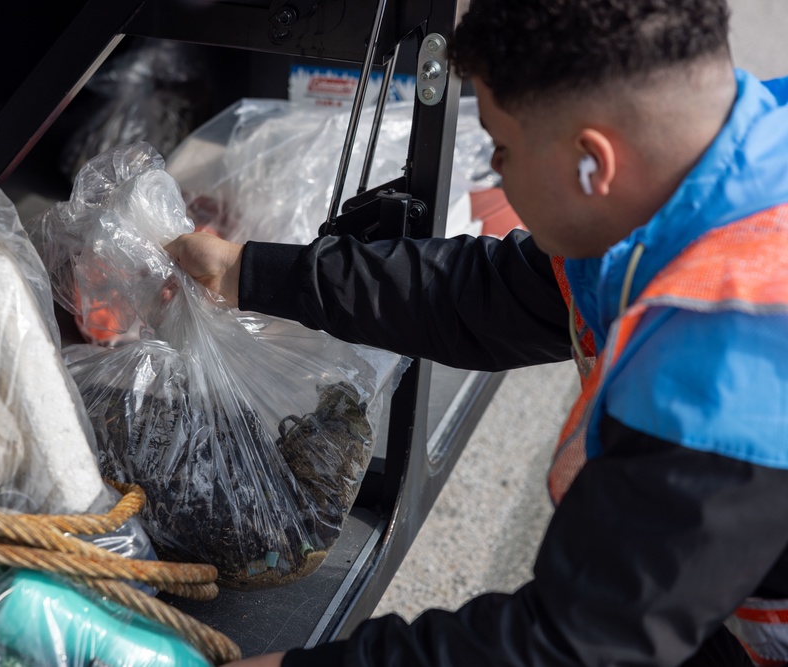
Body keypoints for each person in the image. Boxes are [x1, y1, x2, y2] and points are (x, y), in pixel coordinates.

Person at [165, 0, 788, 664]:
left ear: (590, 164)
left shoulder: (727, 361)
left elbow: (575, 645)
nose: (497, 171)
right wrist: (248, 270)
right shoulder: (730, 166)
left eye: (502, 149)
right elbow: (487, 296)